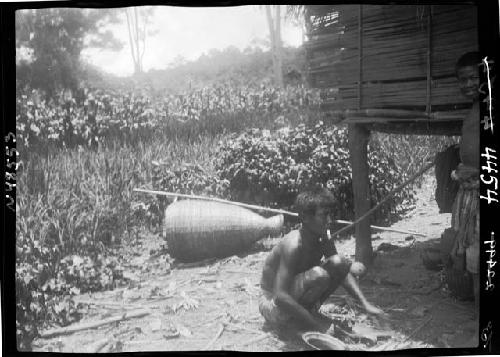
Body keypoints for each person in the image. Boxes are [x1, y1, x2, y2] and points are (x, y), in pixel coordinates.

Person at [259, 187, 384, 333]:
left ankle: (304, 317)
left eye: (329, 214)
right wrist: (317, 326)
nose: (329, 220)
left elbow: (341, 270)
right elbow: (280, 296)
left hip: (292, 299)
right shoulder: (292, 245)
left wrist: (365, 304)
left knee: (340, 262)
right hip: (272, 304)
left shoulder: (323, 238)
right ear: (305, 217)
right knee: (319, 275)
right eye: (324, 215)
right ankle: (299, 322)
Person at [450, 51, 480, 344]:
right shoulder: (474, 110)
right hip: (470, 194)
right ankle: (481, 321)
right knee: (474, 260)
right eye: (463, 79)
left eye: (475, 77)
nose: (469, 84)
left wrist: (475, 173)